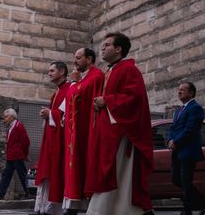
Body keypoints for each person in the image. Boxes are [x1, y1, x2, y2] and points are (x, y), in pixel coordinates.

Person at [88, 32, 154, 215]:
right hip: (108, 130)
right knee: (108, 171)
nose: (102, 48)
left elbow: (134, 98)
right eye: (103, 45)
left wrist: (107, 101)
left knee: (117, 172)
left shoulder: (129, 69)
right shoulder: (111, 71)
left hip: (121, 133)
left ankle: (112, 210)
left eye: (107, 45)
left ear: (118, 49)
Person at [62, 48, 104, 215]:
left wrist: (74, 83)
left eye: (78, 58)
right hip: (75, 132)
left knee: (85, 165)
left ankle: (85, 206)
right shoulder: (81, 78)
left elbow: (81, 96)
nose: (75, 61)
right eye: (74, 58)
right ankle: (73, 204)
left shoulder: (97, 76)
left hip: (87, 131)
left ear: (89, 59)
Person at [168, 82, 205, 215]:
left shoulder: (195, 108)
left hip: (188, 150)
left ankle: (187, 210)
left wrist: (176, 141)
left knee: (186, 180)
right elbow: (172, 127)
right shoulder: (179, 110)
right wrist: (170, 139)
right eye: (178, 89)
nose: (179, 92)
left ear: (191, 93)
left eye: (183, 90)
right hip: (177, 150)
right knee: (176, 179)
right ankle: (202, 201)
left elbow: (190, 129)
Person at [35, 61, 71, 215]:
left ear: (62, 71)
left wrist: (50, 114)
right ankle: (43, 207)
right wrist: (48, 114)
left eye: (52, 70)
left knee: (56, 170)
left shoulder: (68, 89)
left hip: (60, 140)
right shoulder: (56, 92)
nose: (49, 73)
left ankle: (53, 208)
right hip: (52, 137)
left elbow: (67, 115)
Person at [0, 108, 30, 200]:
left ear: (12, 117)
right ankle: (0, 195)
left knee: (22, 175)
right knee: (6, 176)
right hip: (11, 157)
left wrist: (25, 154)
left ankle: (29, 193)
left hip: (17, 156)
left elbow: (26, 141)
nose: (4, 119)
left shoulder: (18, 126)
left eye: (6, 117)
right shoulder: (12, 127)